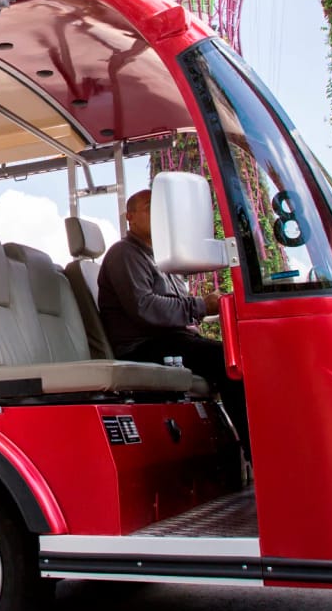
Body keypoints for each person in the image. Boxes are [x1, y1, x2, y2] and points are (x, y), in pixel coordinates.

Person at [98, 188, 247, 449]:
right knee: (228, 361)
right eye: (148, 207)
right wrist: (201, 306)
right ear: (129, 217)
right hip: (144, 346)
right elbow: (145, 308)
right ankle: (258, 453)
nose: (156, 214)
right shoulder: (124, 254)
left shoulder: (162, 259)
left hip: (173, 341)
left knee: (238, 352)